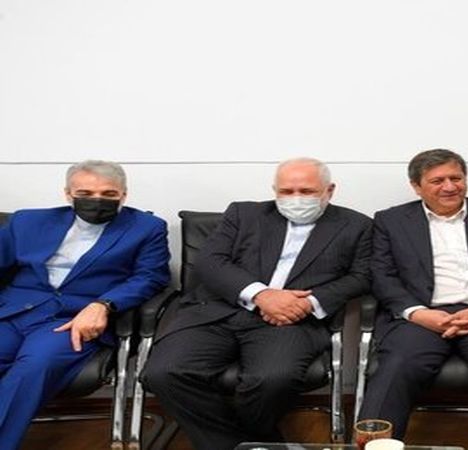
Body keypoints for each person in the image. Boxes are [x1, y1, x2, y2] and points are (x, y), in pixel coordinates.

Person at [142, 157, 372, 450]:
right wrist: (261, 295)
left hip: (292, 321)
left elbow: (363, 276)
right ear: (275, 190)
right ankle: (249, 445)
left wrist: (309, 303)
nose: (296, 199)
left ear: (329, 190)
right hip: (217, 312)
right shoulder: (243, 214)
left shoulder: (357, 225)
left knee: (274, 379)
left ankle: (243, 443)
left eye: (307, 191)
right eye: (286, 191)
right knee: (163, 373)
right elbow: (210, 261)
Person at [357, 149, 468, 450]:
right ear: (416, 186)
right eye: (437, 181)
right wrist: (418, 313)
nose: (450, 187)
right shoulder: (390, 220)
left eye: (456, 178)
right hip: (420, 316)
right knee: (396, 365)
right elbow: (381, 276)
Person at [0, 160, 170, 450]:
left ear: (124, 194)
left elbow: (150, 277)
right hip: (14, 311)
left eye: (108, 194)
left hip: (75, 319)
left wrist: (104, 304)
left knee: (34, 367)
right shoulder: (27, 221)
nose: (97, 200)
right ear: (68, 194)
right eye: (86, 193)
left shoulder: (146, 228)